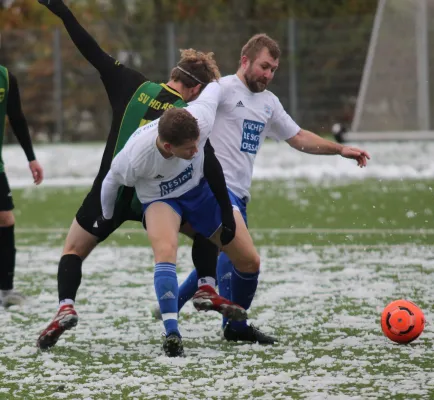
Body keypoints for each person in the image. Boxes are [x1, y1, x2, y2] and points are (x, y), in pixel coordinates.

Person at [36, 0, 244, 351]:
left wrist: (63, 12)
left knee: (73, 248)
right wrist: (224, 210)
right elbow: (208, 164)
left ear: (175, 74)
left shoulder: (130, 83)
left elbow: (91, 50)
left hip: (112, 192)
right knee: (205, 232)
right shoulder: (190, 116)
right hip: (160, 199)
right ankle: (206, 284)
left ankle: (65, 306)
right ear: (196, 90)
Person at [175, 33, 371, 343]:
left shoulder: (268, 103)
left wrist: (340, 150)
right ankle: (233, 326)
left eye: (273, 69)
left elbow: (298, 137)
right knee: (245, 260)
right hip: (213, 190)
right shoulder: (222, 90)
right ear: (245, 61)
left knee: (225, 255)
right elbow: (192, 118)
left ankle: (178, 303)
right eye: (264, 66)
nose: (268, 74)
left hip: (238, 194)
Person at [100, 83, 265, 356]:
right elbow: (110, 183)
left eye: (197, 144)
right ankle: (172, 331)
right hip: (160, 199)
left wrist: (226, 210)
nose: (194, 151)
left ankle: (219, 306)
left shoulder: (201, 116)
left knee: (249, 260)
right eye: (188, 149)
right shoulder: (134, 157)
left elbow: (215, 89)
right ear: (167, 146)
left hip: (199, 190)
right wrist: (106, 217)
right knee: (166, 251)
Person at [0, 65, 44, 308]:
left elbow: (16, 117)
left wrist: (31, 157)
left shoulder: (6, 78)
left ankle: (6, 291)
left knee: (5, 219)